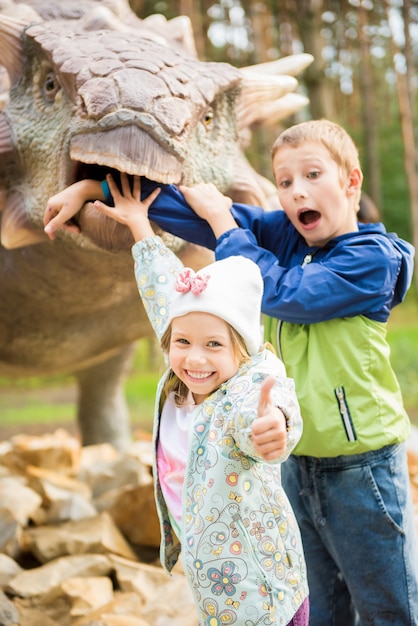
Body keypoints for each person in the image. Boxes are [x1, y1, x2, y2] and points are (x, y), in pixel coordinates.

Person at [44, 119, 418, 625]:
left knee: (385, 606)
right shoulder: (286, 237)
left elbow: (285, 293)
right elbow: (192, 214)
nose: (296, 191)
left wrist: (227, 227)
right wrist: (96, 186)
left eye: (312, 175)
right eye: (284, 182)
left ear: (352, 182)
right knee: (322, 605)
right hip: (291, 458)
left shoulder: (372, 260)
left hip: (361, 467)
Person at [67, 173, 309, 625]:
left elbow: (270, 410)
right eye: (182, 342)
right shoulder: (183, 353)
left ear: (242, 347)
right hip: (211, 580)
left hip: (264, 591)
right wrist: (140, 225)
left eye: (214, 345)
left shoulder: (249, 383)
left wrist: (273, 428)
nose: (195, 359)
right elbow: (162, 288)